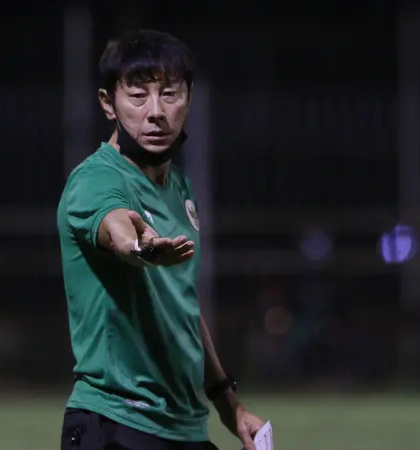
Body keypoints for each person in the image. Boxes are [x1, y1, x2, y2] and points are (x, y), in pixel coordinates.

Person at [57, 30, 265, 450]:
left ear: (188, 98)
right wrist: (140, 246)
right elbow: (119, 227)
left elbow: (181, 307)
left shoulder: (178, 186)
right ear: (107, 103)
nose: (156, 112)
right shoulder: (97, 179)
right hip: (116, 424)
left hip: (183, 427)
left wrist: (230, 406)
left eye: (169, 94)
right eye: (137, 96)